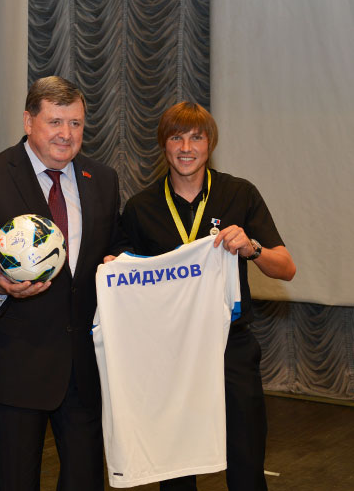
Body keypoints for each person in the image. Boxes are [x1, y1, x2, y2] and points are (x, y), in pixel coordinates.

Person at [0, 75, 126, 491]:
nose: (67, 134)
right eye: (55, 122)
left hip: (85, 369)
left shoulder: (102, 179)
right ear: (29, 122)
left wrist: (119, 260)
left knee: (86, 481)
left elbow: (114, 244)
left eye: (76, 123)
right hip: (16, 366)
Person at [121, 101, 296, 490]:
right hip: (171, 353)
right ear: (163, 145)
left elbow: (286, 267)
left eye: (196, 138)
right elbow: (121, 274)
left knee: (246, 461)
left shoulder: (239, 194)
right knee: (176, 469)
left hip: (230, 346)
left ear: (210, 144)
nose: (186, 147)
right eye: (176, 137)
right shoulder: (140, 208)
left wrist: (252, 248)